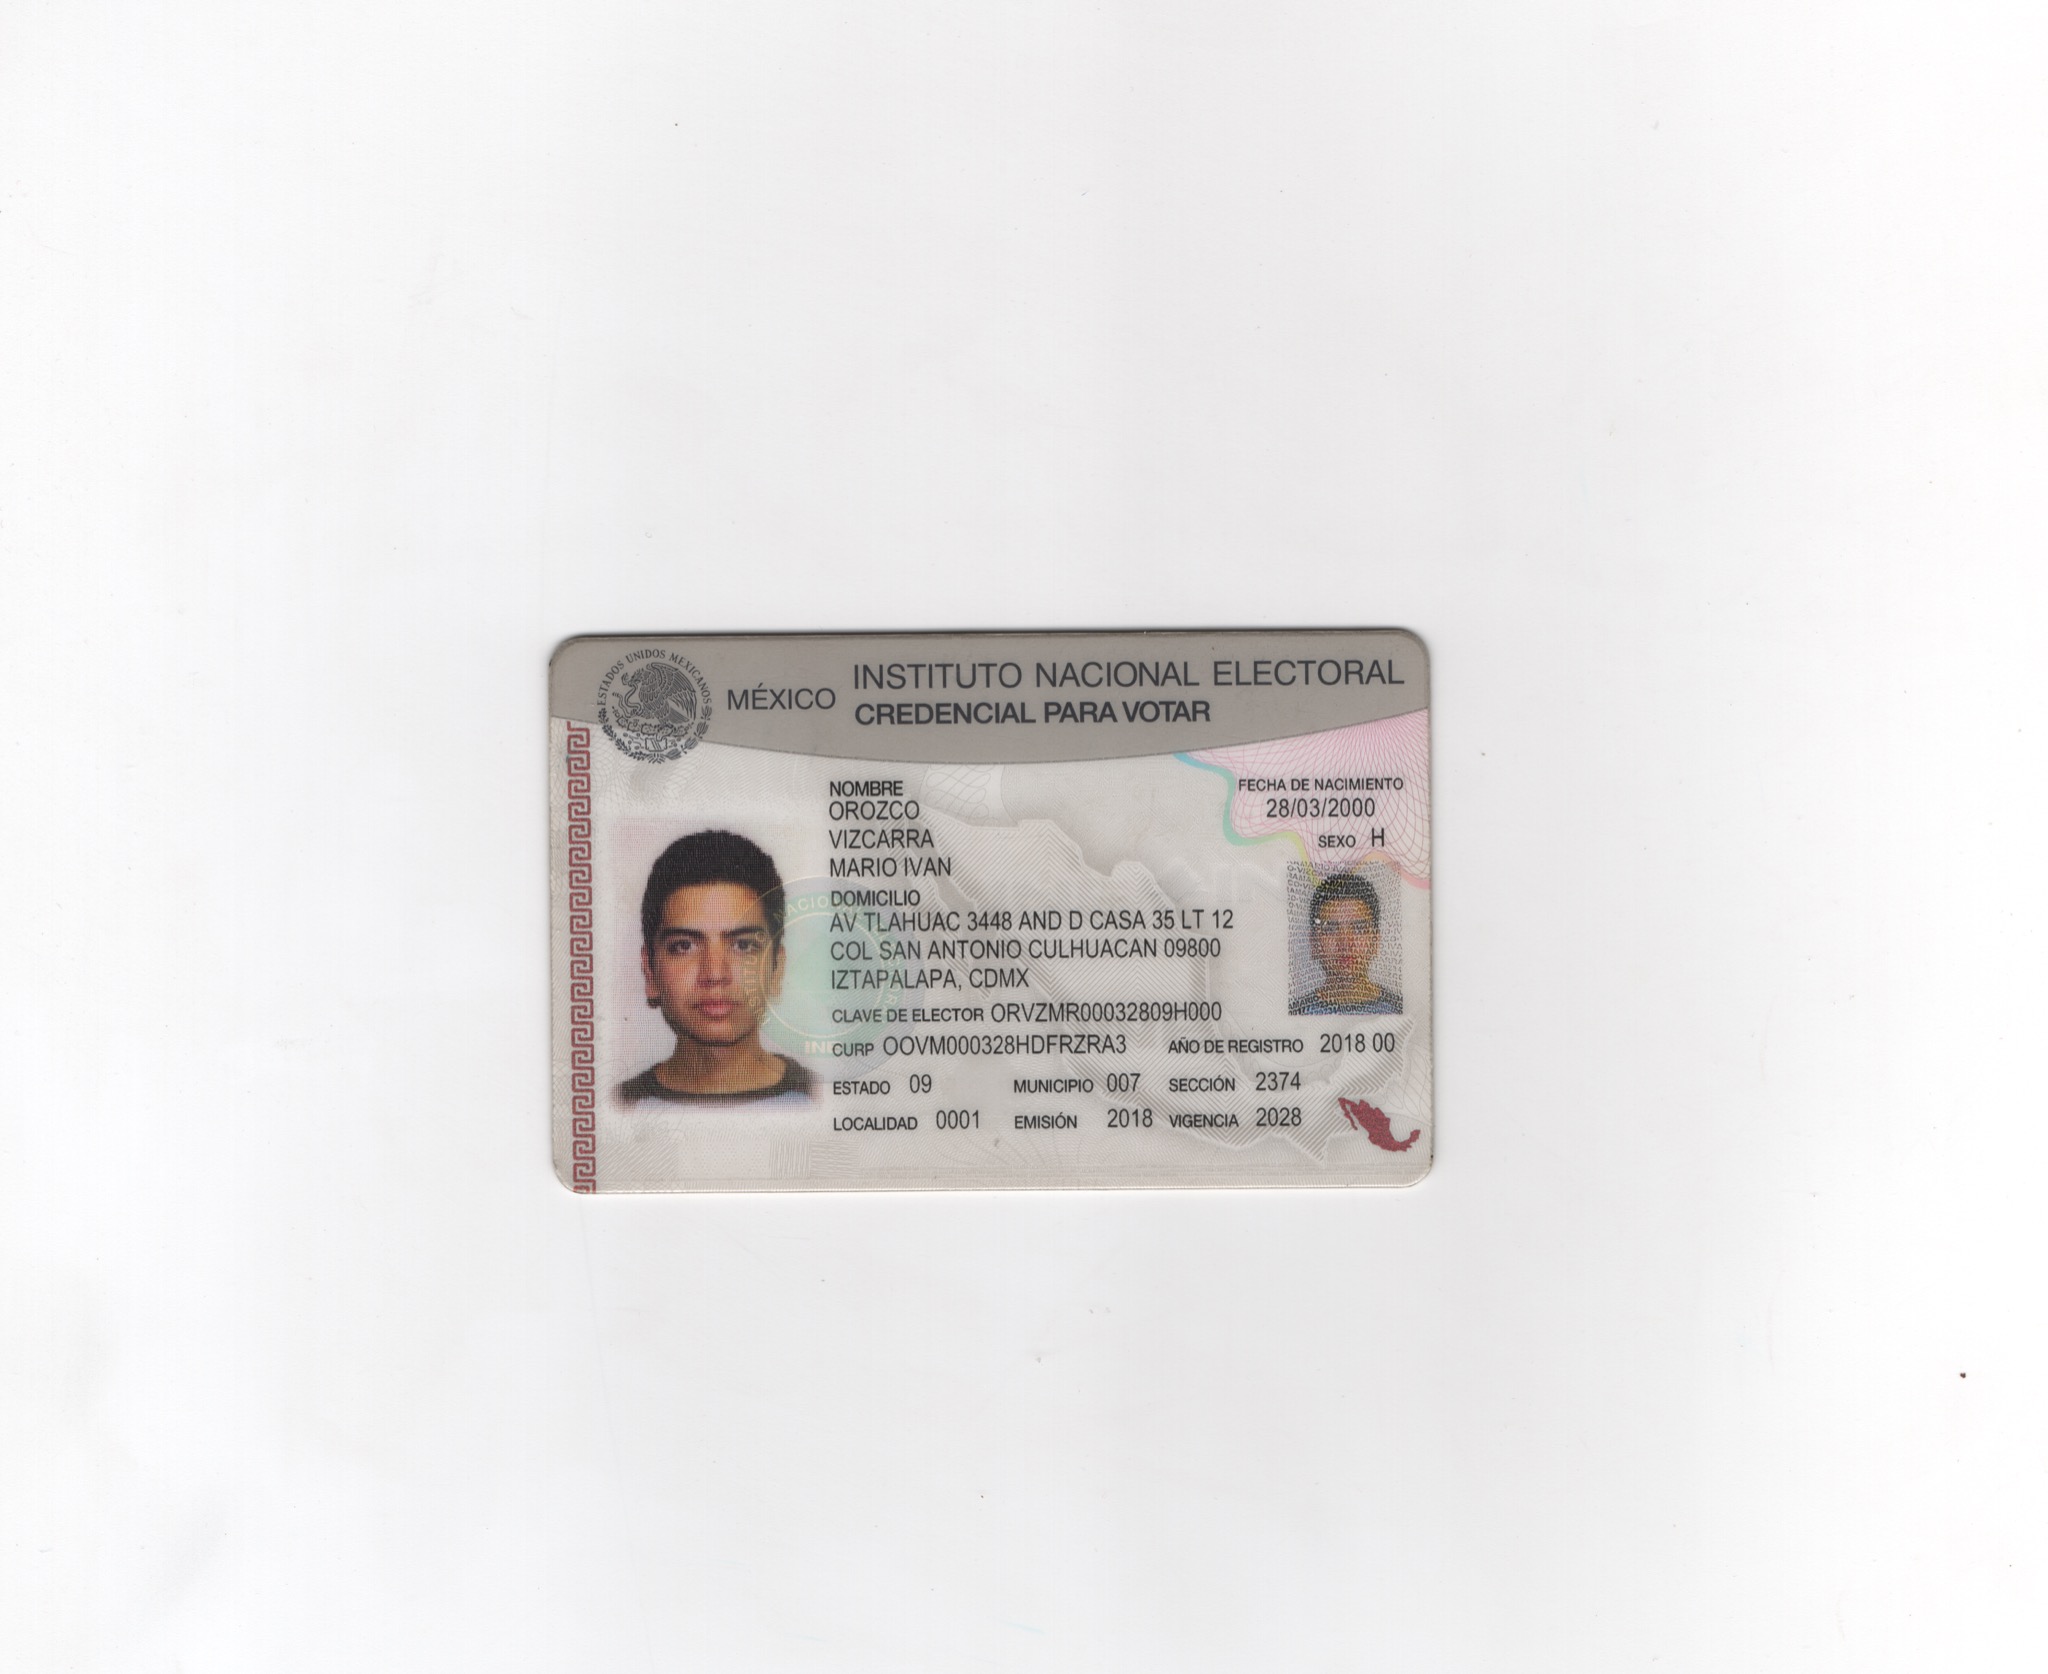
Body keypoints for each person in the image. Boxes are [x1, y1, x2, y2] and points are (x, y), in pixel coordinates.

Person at [619, 830, 814, 1103]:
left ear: (776, 970)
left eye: (743, 945)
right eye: (684, 946)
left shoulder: (824, 1099)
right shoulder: (617, 1106)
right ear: (650, 972)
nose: (715, 974)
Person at [1290, 871, 1403, 1015]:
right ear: (1314, 944)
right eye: (1330, 929)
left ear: (1375, 942)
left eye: (1358, 929)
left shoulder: (1398, 1010)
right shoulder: (1297, 1013)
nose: (1345, 943)